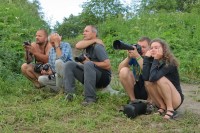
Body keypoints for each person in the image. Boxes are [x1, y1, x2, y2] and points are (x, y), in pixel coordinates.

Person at [63, 25, 111, 106]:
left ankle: (90, 99)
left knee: (88, 64)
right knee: (69, 64)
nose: (83, 33)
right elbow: (77, 45)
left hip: (103, 78)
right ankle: (70, 94)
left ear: (94, 33)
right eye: (84, 31)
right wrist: (94, 40)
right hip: (91, 74)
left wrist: (90, 62)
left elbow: (108, 65)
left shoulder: (98, 47)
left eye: (86, 31)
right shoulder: (87, 45)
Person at [142, 38, 184, 120]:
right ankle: (162, 107)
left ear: (163, 49)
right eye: (151, 48)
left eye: (156, 48)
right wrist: (146, 59)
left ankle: (170, 109)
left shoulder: (169, 63)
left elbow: (154, 78)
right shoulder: (153, 60)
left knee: (160, 79)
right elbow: (146, 78)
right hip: (160, 99)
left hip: (175, 99)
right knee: (147, 82)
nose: (153, 50)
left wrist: (156, 60)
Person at [118, 37, 151, 103]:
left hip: (150, 90)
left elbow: (147, 72)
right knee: (124, 71)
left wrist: (137, 56)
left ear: (150, 48)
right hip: (137, 86)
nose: (141, 49)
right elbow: (119, 70)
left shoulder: (152, 57)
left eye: (144, 47)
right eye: (139, 46)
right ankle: (133, 100)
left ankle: (150, 102)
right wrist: (128, 58)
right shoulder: (135, 56)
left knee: (149, 78)